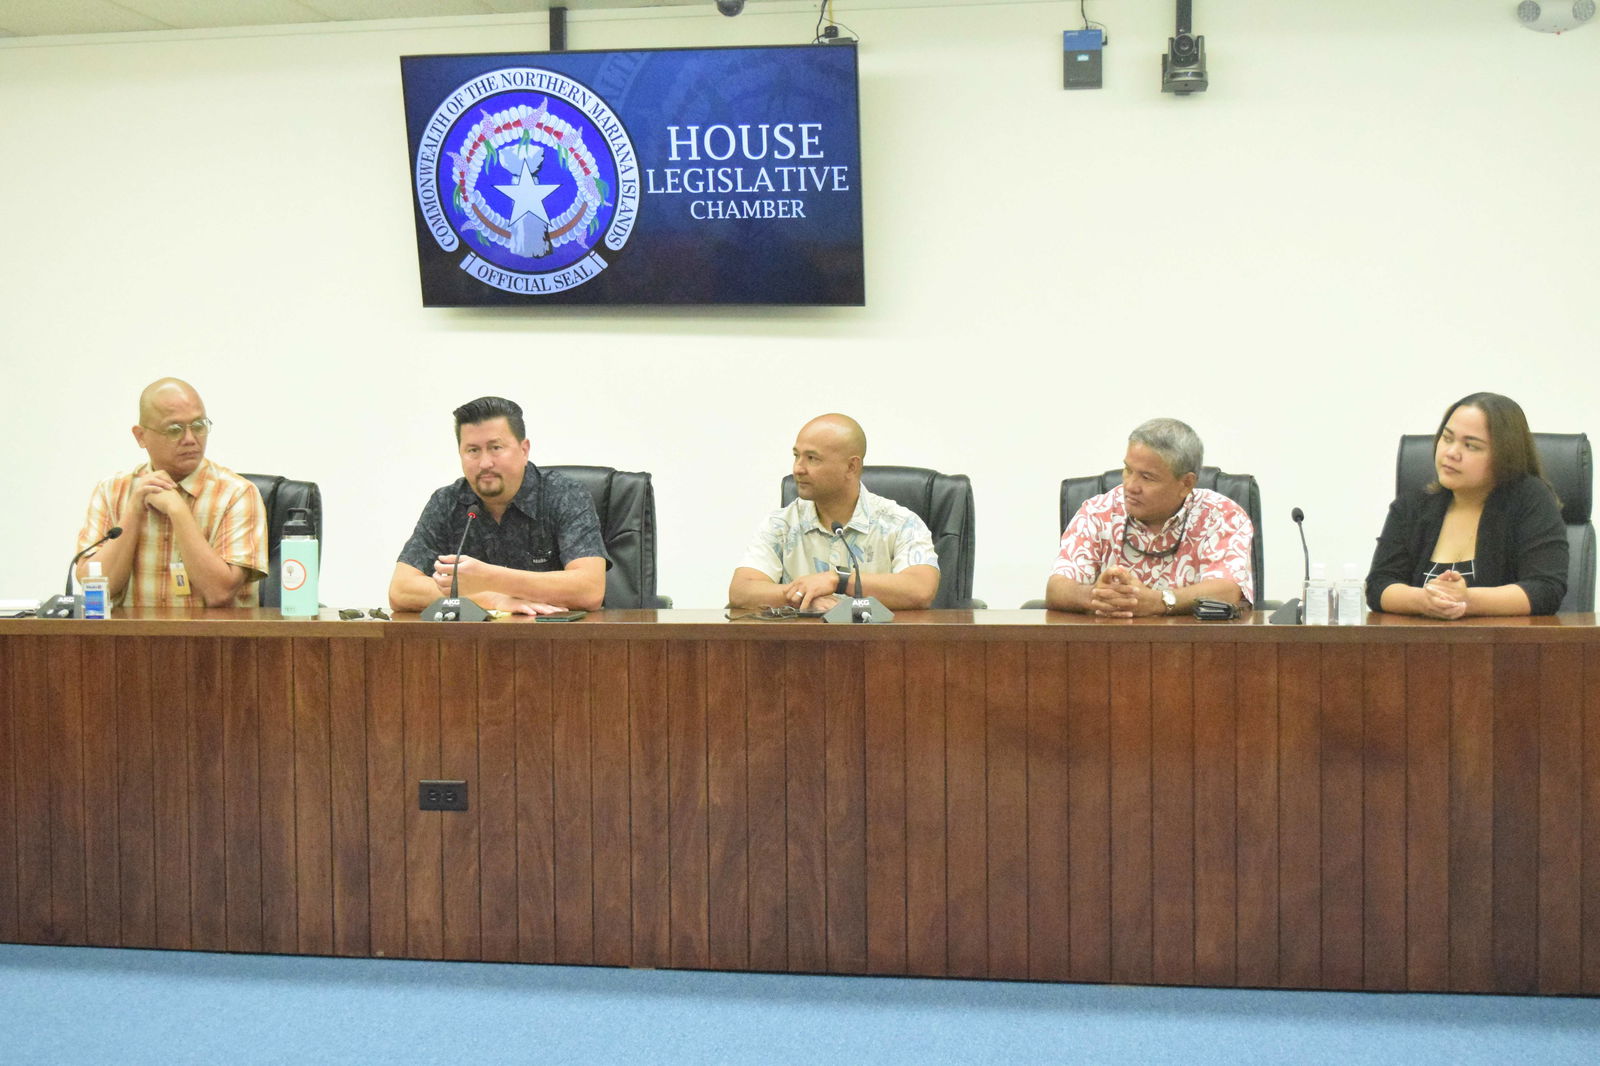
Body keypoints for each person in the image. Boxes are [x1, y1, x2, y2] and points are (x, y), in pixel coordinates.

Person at [388, 396, 609, 615]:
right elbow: (401, 591)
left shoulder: (564, 495)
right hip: (472, 645)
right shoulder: (447, 502)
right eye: (473, 450)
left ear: (524, 450)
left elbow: (589, 590)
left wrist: (489, 578)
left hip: (557, 642)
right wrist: (489, 598)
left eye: (495, 447)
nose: (485, 463)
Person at [1366, 393, 1567, 618]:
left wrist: (1467, 600)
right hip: (1416, 648)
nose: (1451, 453)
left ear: (1504, 456)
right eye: (1447, 438)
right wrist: (1423, 600)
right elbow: (1379, 585)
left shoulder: (1530, 499)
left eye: (1471, 446)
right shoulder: (1413, 505)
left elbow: (1545, 590)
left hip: (1503, 648)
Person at [74, 377, 268, 607]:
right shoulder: (111, 491)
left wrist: (178, 510)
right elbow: (94, 589)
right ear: (141, 436)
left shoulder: (236, 494)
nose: (190, 439)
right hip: (130, 640)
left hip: (213, 641)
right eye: (175, 430)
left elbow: (220, 593)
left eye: (199, 426)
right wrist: (133, 511)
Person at [728, 413, 940, 612]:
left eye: (812, 458)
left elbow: (921, 589)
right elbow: (741, 590)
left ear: (851, 467)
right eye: (796, 456)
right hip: (800, 645)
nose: (798, 469)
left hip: (880, 646)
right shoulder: (781, 524)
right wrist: (805, 595)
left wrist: (839, 580)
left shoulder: (901, 523)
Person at [1045, 417, 1254, 618]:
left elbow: (1227, 590)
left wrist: (1158, 601)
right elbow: (1057, 588)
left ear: (1186, 484)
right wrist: (1098, 596)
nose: (1130, 486)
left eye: (1146, 477)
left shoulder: (1221, 515)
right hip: (1109, 645)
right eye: (1128, 470)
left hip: (1196, 647)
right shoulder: (1097, 512)